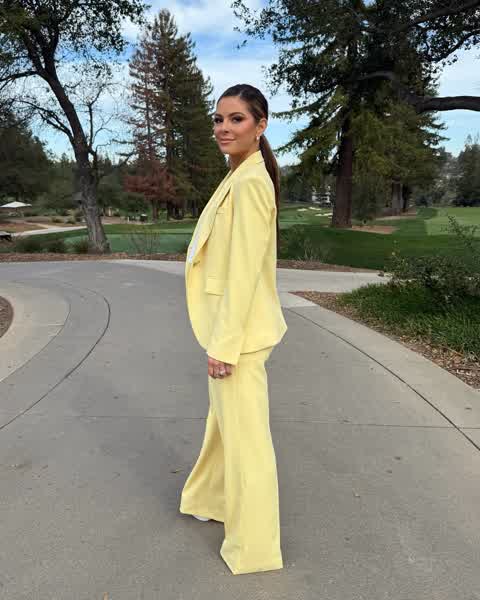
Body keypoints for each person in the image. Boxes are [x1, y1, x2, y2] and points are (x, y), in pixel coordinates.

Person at [179, 83, 288, 575]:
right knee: (222, 427)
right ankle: (209, 497)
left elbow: (244, 272)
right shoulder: (239, 174)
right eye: (218, 119)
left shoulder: (251, 182)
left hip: (238, 338)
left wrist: (224, 345)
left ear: (260, 125)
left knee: (247, 445)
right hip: (229, 330)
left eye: (236, 119)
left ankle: (255, 548)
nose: (224, 128)